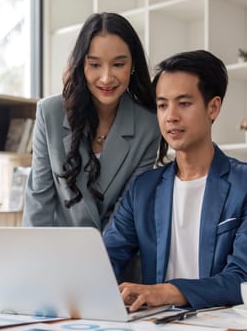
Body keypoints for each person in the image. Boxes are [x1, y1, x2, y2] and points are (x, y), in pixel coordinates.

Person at [103, 50, 247, 311]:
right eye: (162, 105)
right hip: (155, 324)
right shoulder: (143, 188)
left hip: (221, 323)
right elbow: (107, 257)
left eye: (183, 103)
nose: (170, 116)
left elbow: (244, 279)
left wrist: (168, 292)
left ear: (213, 107)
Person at [23, 12, 160, 231]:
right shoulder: (49, 113)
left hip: (116, 257)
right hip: (57, 255)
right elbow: (39, 204)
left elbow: (126, 211)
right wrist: (35, 260)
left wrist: (98, 260)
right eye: (95, 65)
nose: (106, 78)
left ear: (132, 65)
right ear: (81, 65)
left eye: (118, 64)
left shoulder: (149, 125)